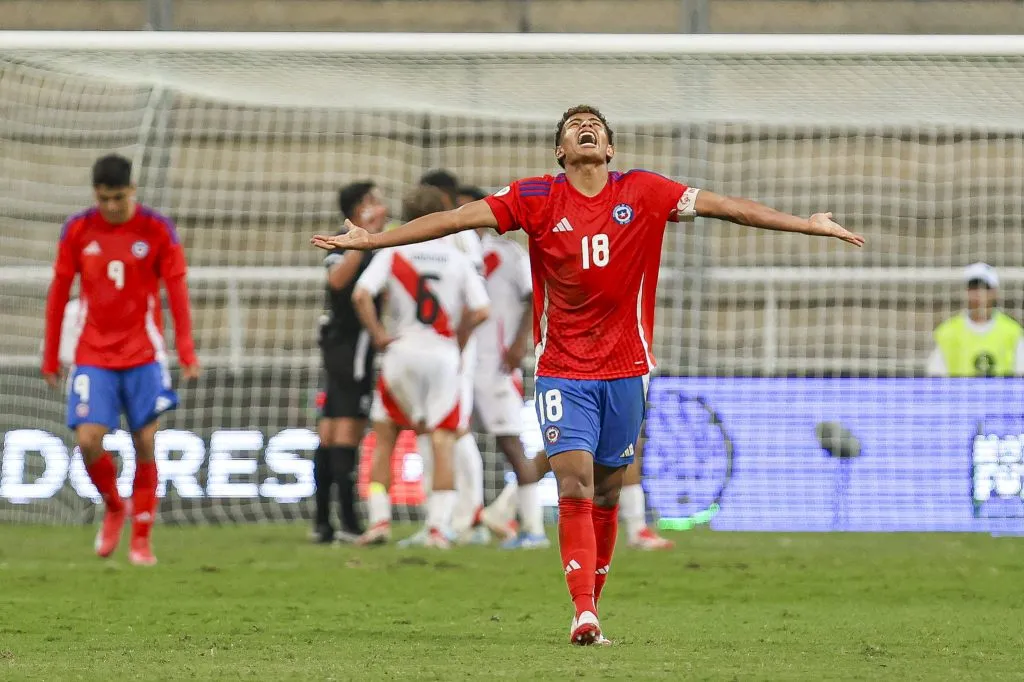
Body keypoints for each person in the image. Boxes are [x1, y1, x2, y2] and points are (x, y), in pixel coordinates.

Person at [311, 104, 864, 644]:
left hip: (627, 368)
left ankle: (591, 598)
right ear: (561, 150)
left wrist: (806, 225)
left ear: (610, 147)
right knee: (573, 480)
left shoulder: (644, 191)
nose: (586, 128)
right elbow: (455, 219)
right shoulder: (535, 197)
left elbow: (729, 207)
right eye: (575, 126)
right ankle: (582, 613)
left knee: (606, 489)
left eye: (595, 125)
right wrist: (376, 240)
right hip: (562, 367)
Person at [42, 153, 200, 566]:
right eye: (104, 198)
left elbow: (177, 291)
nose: (111, 206)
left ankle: (142, 539)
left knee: (145, 440)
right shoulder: (78, 229)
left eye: (118, 197)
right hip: (93, 352)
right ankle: (114, 506)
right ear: (96, 194)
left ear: (133, 190)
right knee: (88, 440)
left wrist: (186, 350)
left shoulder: (157, 229)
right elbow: (59, 292)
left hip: (143, 352)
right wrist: (50, 354)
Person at [353, 186, 491, 549]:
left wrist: (379, 333)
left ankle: (380, 522)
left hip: (401, 352)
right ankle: (436, 528)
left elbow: (361, 293)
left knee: (385, 438)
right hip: (442, 355)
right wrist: (459, 340)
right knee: (443, 440)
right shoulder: (457, 256)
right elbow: (481, 310)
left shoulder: (394, 250)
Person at [456, 185, 548, 549]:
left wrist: (519, 342)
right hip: (458, 363)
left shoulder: (508, 253)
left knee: (511, 445)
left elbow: (533, 296)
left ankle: (534, 529)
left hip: (496, 363)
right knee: (453, 440)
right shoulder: (454, 253)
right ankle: (464, 521)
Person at [312, 181, 390, 544]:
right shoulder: (344, 243)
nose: (380, 205)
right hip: (351, 347)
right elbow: (337, 282)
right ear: (358, 209)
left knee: (329, 432)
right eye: (372, 200)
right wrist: (364, 240)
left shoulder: (379, 244)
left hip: (340, 346)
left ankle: (324, 523)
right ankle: (345, 521)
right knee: (344, 431)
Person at [927, 262, 1024, 377]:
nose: (979, 293)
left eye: (985, 287)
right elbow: (935, 377)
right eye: (974, 287)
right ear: (967, 291)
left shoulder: (1012, 331)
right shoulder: (947, 332)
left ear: (995, 292)